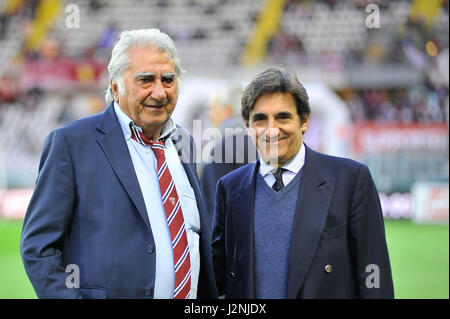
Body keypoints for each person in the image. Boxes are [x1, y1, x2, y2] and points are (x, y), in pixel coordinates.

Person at [20, 28, 218, 299]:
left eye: (168, 79)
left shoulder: (184, 142)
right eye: (146, 80)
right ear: (115, 86)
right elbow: (39, 248)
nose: (159, 92)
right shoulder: (72, 143)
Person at [211, 67, 394, 299]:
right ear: (247, 125)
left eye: (282, 117)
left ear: (304, 120)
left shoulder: (351, 180)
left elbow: (373, 272)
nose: (271, 130)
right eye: (260, 119)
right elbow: (218, 278)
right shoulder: (230, 188)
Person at [200, 85, 258, 215]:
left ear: (227, 111)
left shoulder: (220, 144)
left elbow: (216, 201)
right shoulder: (257, 141)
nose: (209, 115)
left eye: (212, 109)